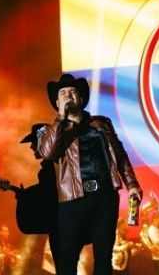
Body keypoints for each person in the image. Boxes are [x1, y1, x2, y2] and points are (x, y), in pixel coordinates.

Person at [37, 73, 143, 275]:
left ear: (81, 99)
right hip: (72, 199)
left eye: (72, 92)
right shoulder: (52, 131)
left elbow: (119, 155)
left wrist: (132, 185)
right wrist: (61, 119)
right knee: (68, 258)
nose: (68, 95)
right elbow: (47, 153)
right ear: (57, 102)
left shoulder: (101, 124)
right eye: (63, 93)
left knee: (104, 257)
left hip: (105, 196)